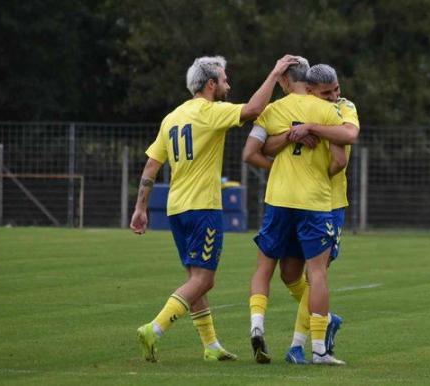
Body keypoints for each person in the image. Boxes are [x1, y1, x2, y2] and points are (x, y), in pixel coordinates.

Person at [130, 54, 298, 363]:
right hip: (202, 208)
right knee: (204, 280)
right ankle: (155, 328)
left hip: (176, 209)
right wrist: (275, 74)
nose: (228, 85)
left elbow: (152, 165)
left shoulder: (172, 117)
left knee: (195, 278)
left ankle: (211, 346)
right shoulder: (209, 112)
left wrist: (140, 207)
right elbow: (253, 110)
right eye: (223, 80)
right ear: (210, 84)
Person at [245, 63, 357, 366]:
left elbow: (254, 150)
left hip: (315, 202)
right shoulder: (324, 110)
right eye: (327, 92)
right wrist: (317, 164)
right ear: (310, 88)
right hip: (315, 200)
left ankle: (296, 344)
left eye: (336, 90)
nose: (334, 96)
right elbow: (338, 158)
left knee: (285, 270)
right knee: (296, 274)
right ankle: (322, 330)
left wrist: (304, 131)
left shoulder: (340, 107)